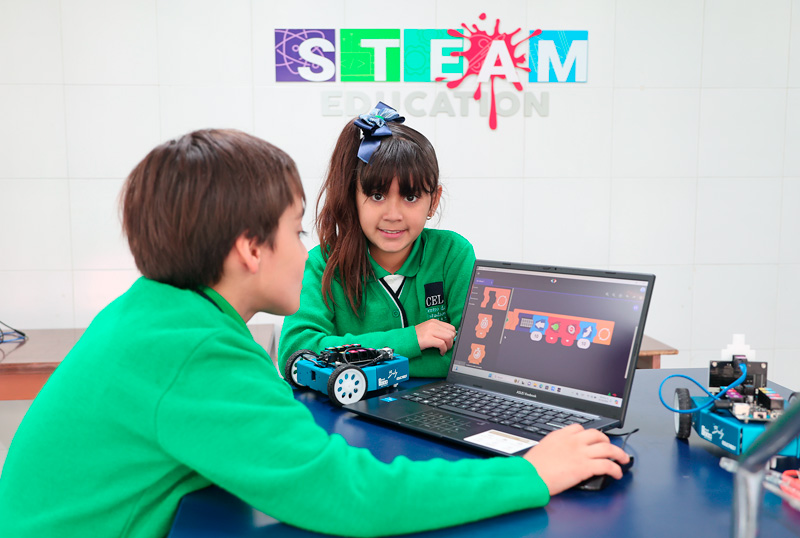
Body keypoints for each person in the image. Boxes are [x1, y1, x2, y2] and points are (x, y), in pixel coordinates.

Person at [0, 129, 629, 538]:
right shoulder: (195, 350)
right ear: (251, 248)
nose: (306, 251)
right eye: (297, 230)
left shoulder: (157, 315)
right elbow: (350, 497)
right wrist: (533, 473)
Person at [278, 102, 474, 378]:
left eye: (411, 197)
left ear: (434, 200)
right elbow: (297, 355)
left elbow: (472, 357)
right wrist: (411, 340)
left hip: (437, 407)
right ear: (353, 197)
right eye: (377, 196)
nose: (393, 215)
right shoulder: (323, 263)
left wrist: (354, 364)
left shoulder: (452, 254)